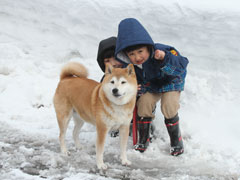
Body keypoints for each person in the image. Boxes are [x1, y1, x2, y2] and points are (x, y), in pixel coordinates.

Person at [115, 18, 189, 156]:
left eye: (140, 51)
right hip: (151, 86)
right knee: (144, 104)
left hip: (171, 82)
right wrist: (133, 88)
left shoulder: (161, 51)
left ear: (148, 47)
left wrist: (165, 58)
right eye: (132, 54)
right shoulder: (129, 66)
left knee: (169, 106)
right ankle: (144, 138)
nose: (137, 57)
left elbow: (182, 64)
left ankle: (176, 140)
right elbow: (128, 81)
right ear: (126, 55)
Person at [97, 36, 123, 137]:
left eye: (116, 58)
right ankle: (115, 125)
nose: (113, 64)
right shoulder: (105, 80)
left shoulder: (133, 72)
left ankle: (145, 125)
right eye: (107, 60)